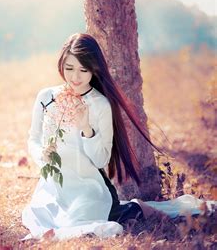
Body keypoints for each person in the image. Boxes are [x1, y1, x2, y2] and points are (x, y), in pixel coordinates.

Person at [21, 33, 214, 240]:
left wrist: (86, 127)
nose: (75, 77)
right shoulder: (47, 97)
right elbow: (33, 137)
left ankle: (99, 224)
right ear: (61, 65)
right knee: (36, 215)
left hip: (88, 188)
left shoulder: (100, 105)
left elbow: (101, 160)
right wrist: (42, 156)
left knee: (76, 220)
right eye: (69, 68)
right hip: (52, 185)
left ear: (94, 69)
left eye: (83, 70)